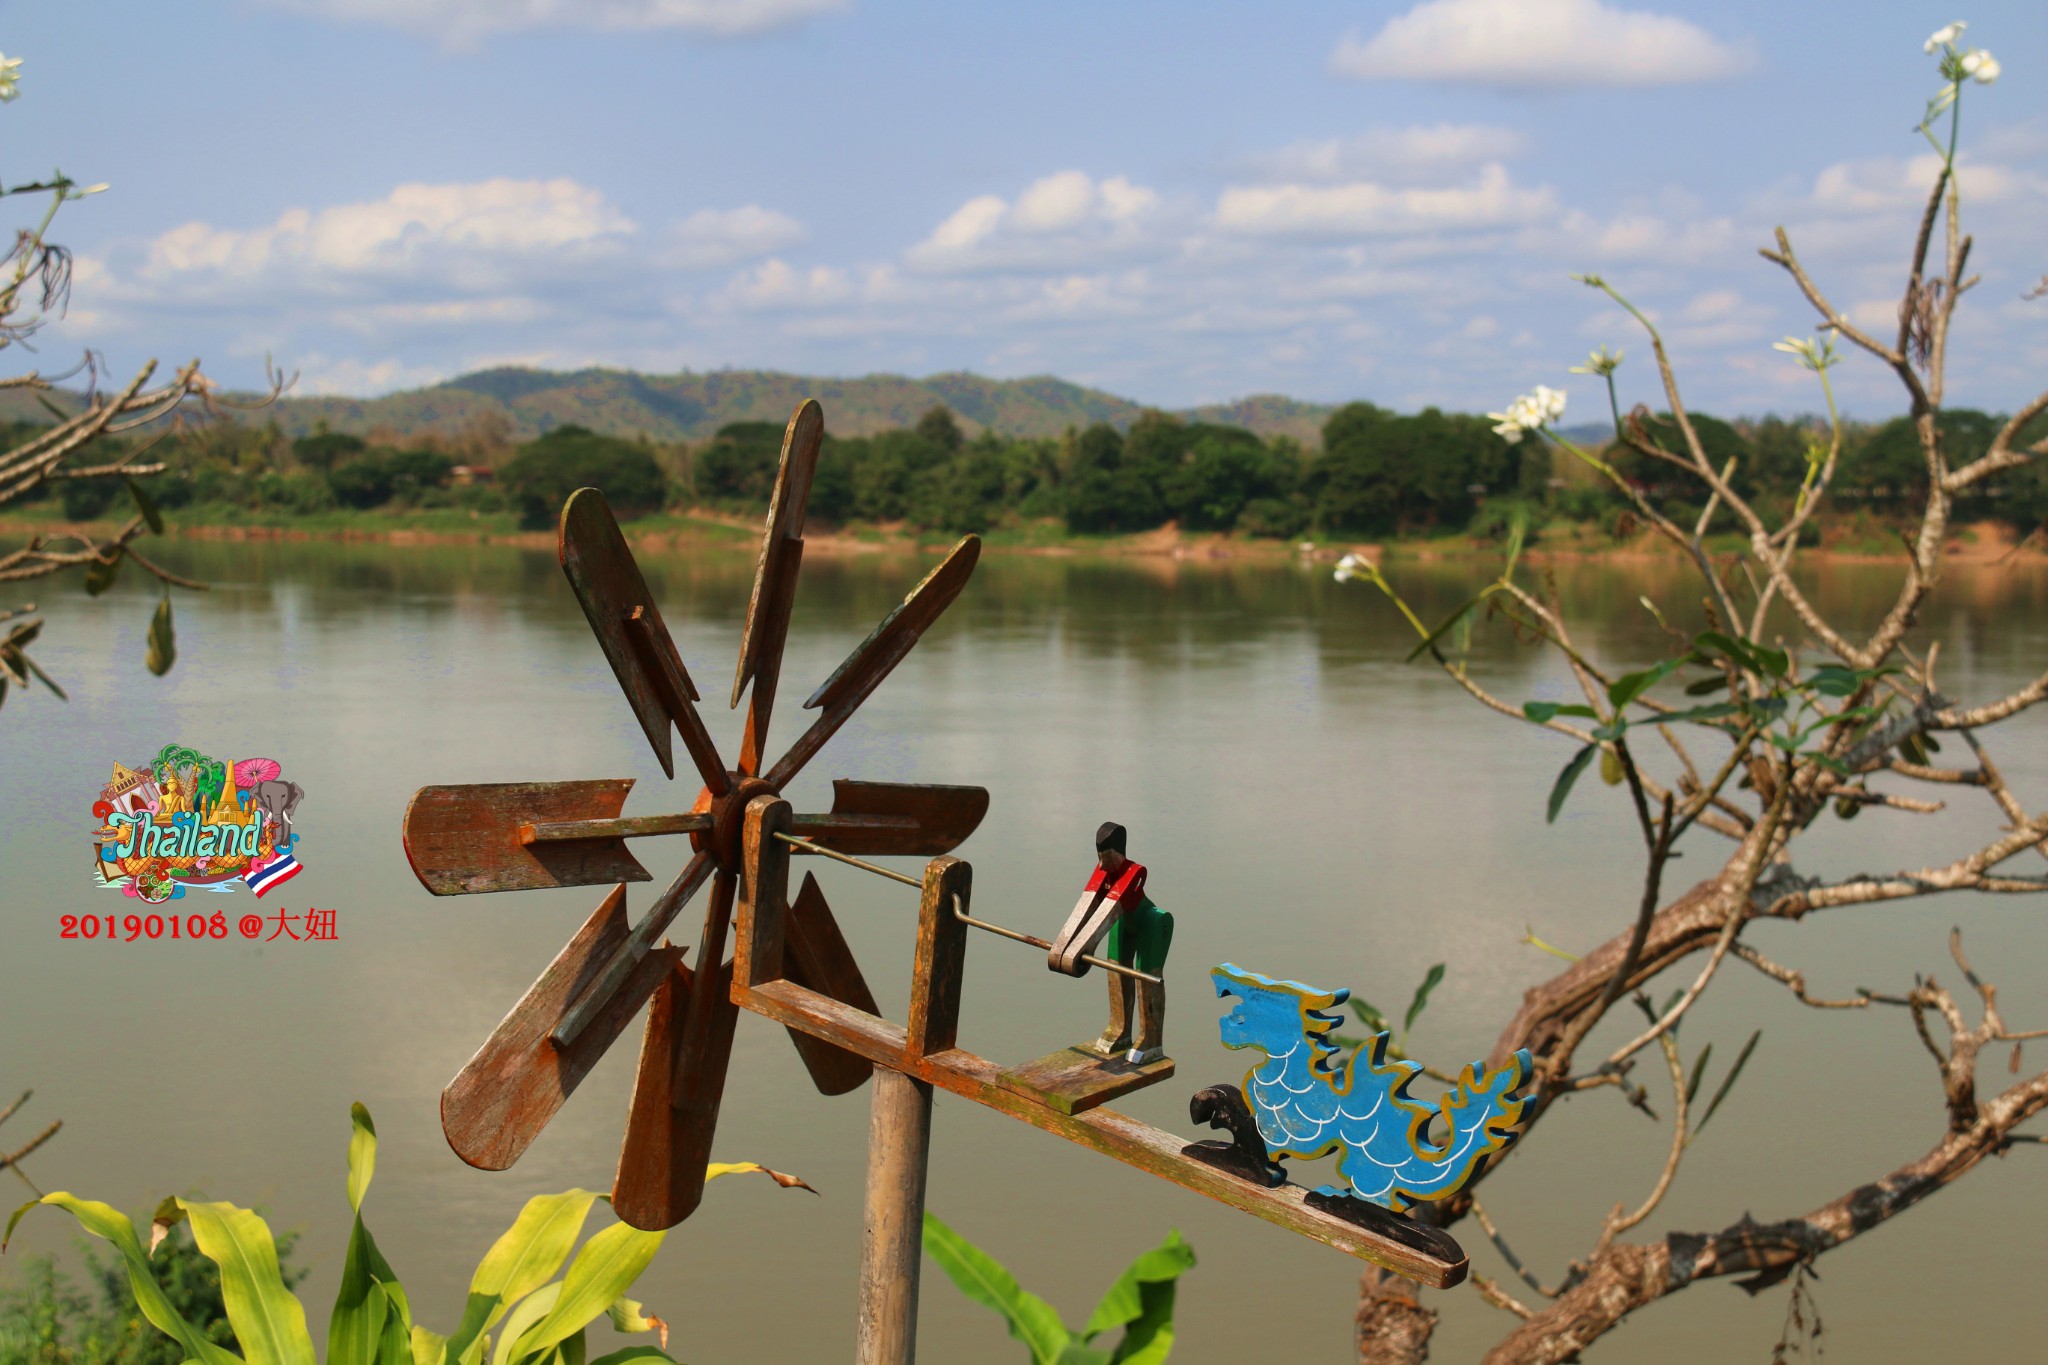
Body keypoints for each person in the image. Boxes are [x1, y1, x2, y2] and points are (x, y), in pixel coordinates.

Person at [1047, 822, 1173, 1064]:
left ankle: (1151, 1040)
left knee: (1146, 975)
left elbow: (1108, 912)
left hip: (1151, 922)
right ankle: (1120, 1030)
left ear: (1119, 853)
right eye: (1099, 857)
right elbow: (1085, 907)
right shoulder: (1102, 871)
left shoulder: (1133, 872)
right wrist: (1062, 946)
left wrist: (1084, 947)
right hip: (1124, 922)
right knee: (1114, 966)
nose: (1102, 864)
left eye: (1107, 857)